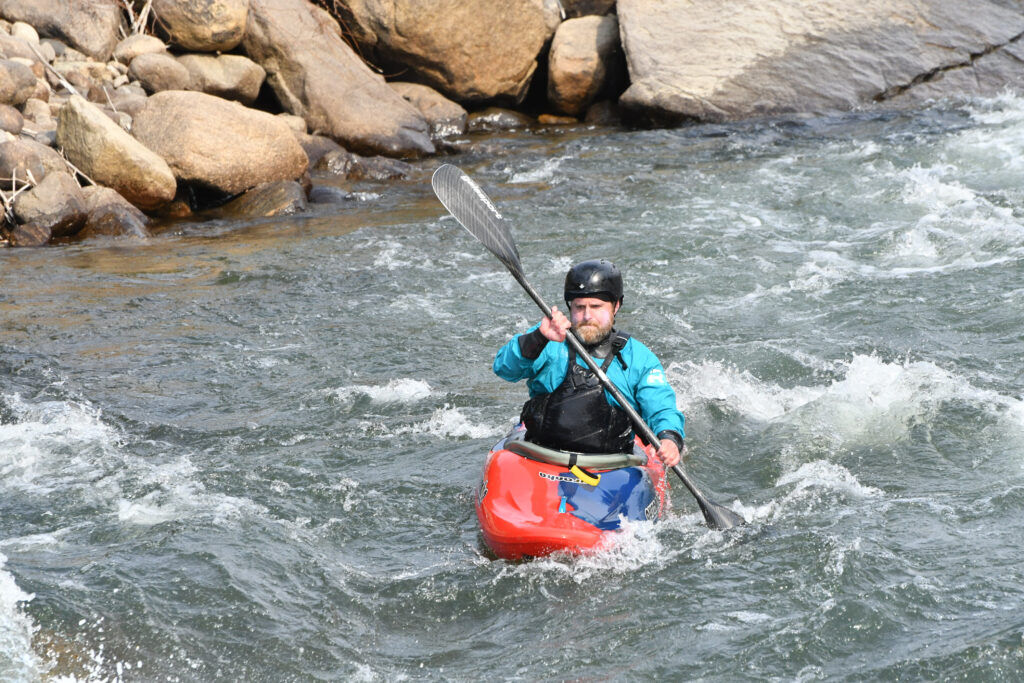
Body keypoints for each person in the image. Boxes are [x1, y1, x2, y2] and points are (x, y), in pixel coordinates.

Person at [493, 259, 684, 468]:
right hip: (540, 456)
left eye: (596, 306)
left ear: (616, 306)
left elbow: (661, 407)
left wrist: (669, 438)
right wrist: (538, 338)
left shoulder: (638, 358)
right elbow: (504, 369)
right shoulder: (549, 338)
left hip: (611, 466)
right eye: (579, 307)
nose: (586, 316)